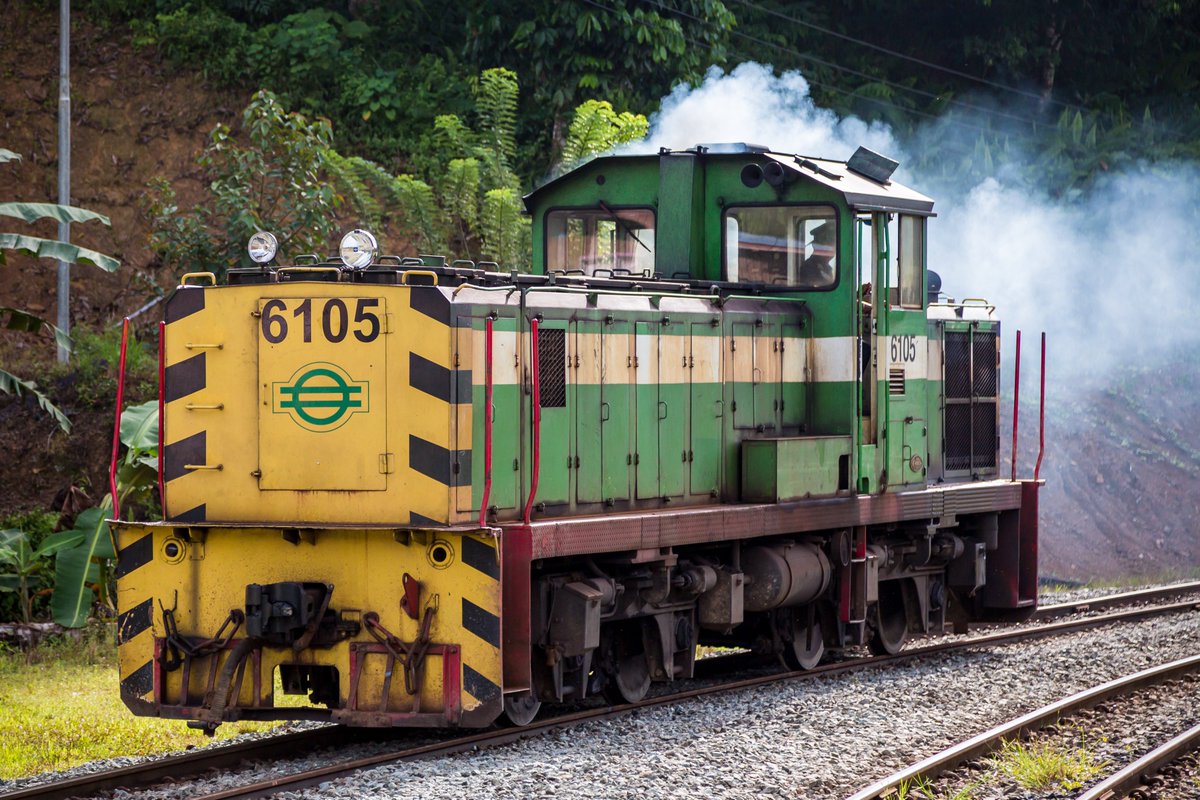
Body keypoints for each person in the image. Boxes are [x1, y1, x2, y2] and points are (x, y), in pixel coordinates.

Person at [797, 221, 836, 287]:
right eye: (828, 247)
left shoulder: (826, 268)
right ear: (815, 247)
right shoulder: (808, 267)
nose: (833, 251)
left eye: (834, 247)